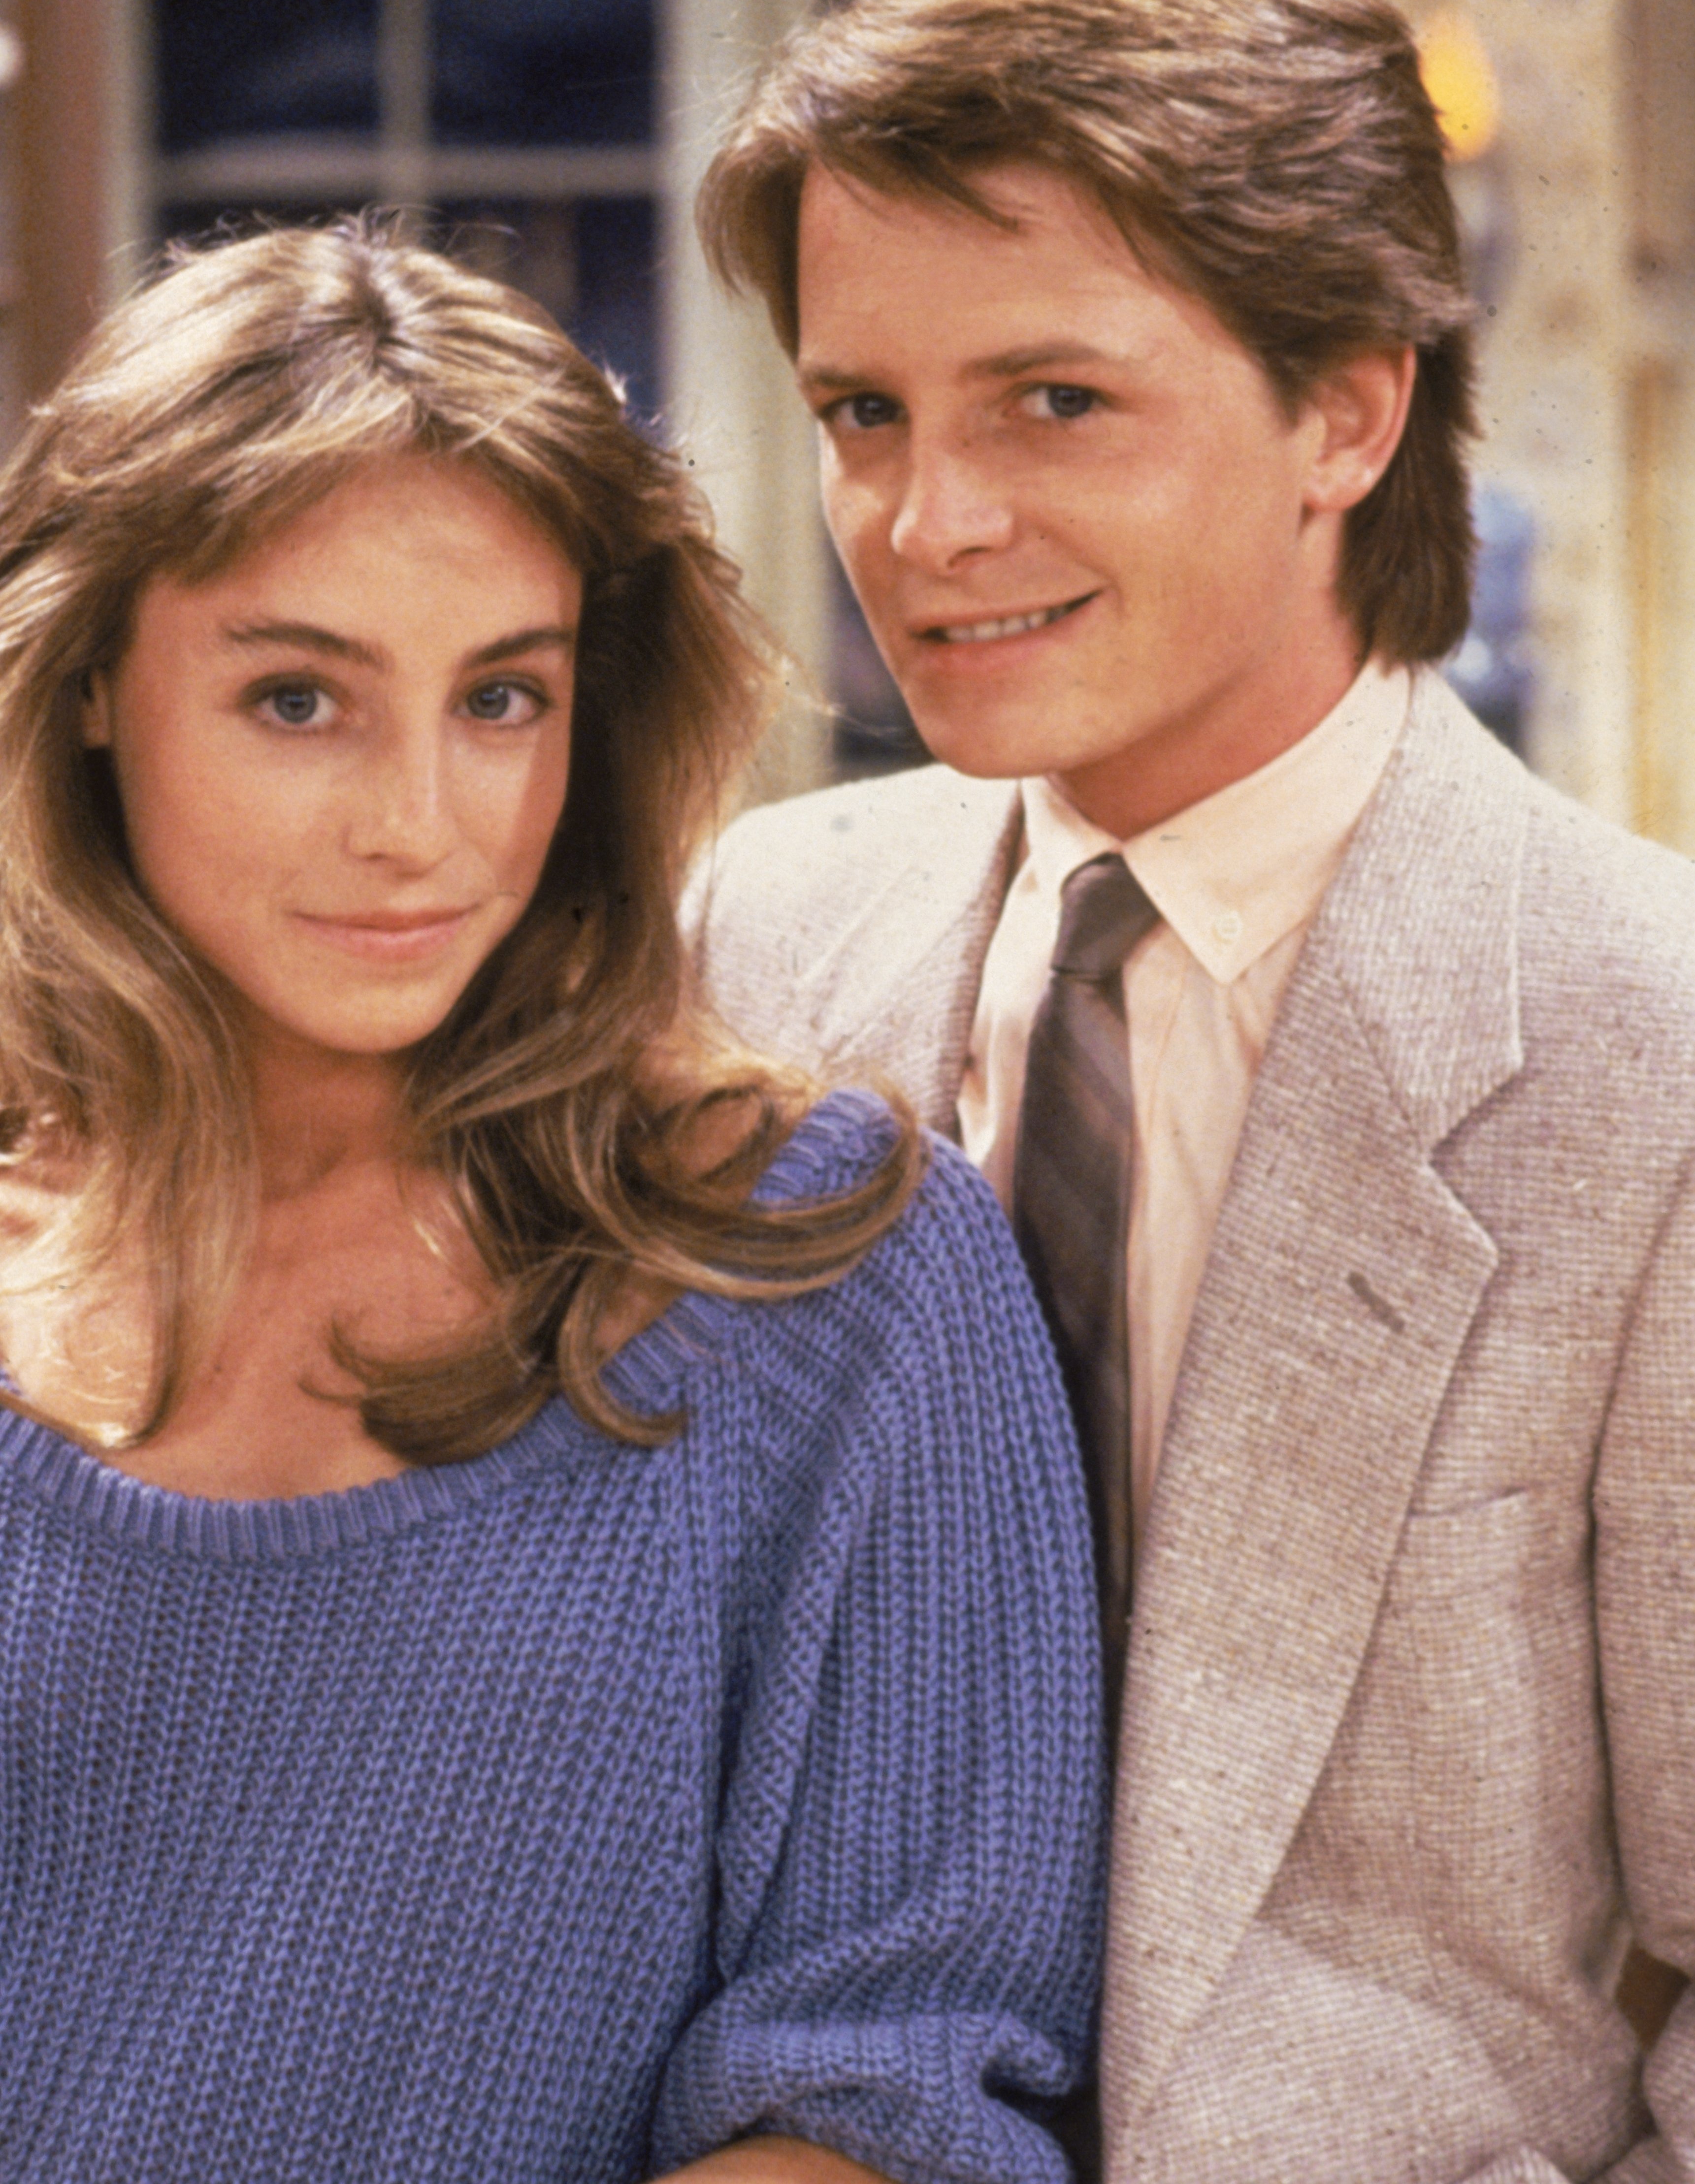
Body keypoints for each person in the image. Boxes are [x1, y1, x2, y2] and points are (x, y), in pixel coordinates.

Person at [687, 0, 1695, 2181]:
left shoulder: (1658, 1058)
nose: (928, 523)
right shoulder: (763, 934)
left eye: (1055, 400)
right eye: (865, 411)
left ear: (1348, 407)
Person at [0, 221, 1104, 2184]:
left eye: (501, 699)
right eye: (296, 701)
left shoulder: (823, 1275)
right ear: (90, 684)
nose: (421, 824)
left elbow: (892, 2091)